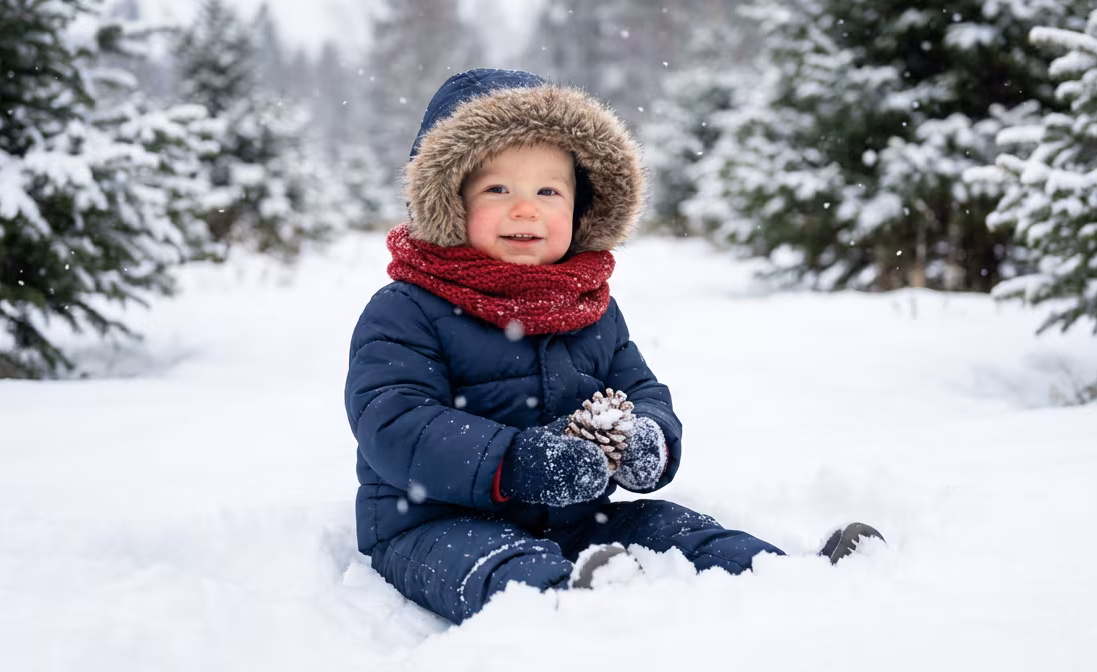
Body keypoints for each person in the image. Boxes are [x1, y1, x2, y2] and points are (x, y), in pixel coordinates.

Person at [344, 68, 881, 625]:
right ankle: (566, 602)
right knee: (493, 564)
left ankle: (783, 575)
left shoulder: (588, 305)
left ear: (580, 210)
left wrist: (649, 439)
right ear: (450, 200)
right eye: (497, 188)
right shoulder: (407, 309)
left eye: (548, 191)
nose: (525, 209)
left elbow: (641, 389)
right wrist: (519, 462)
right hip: (434, 523)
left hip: (575, 518)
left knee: (673, 528)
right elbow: (395, 423)